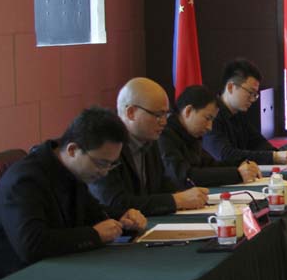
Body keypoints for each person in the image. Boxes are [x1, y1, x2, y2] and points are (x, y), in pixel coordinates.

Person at [0, 108, 148, 280]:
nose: (104, 173)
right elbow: (32, 245)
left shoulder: (71, 171)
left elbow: (92, 213)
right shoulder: (25, 180)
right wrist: (94, 235)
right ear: (72, 150)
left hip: (51, 276)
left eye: (111, 164)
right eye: (101, 163)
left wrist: (123, 217)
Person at [89, 78, 208, 215]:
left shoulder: (150, 138)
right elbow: (115, 203)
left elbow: (162, 186)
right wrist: (176, 200)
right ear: (131, 113)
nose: (164, 122)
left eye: (166, 114)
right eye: (158, 115)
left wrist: (184, 194)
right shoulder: (106, 145)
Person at [202, 59, 287, 166]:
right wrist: (273, 157)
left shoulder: (238, 114)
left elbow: (258, 143)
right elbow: (225, 155)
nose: (253, 99)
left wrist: (280, 155)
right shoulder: (212, 116)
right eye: (250, 92)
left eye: (255, 95)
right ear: (230, 87)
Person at [160, 84, 262, 187]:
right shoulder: (163, 135)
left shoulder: (190, 136)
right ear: (188, 111)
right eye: (207, 118)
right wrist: (237, 174)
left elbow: (210, 164)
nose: (210, 127)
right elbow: (184, 177)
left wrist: (240, 164)